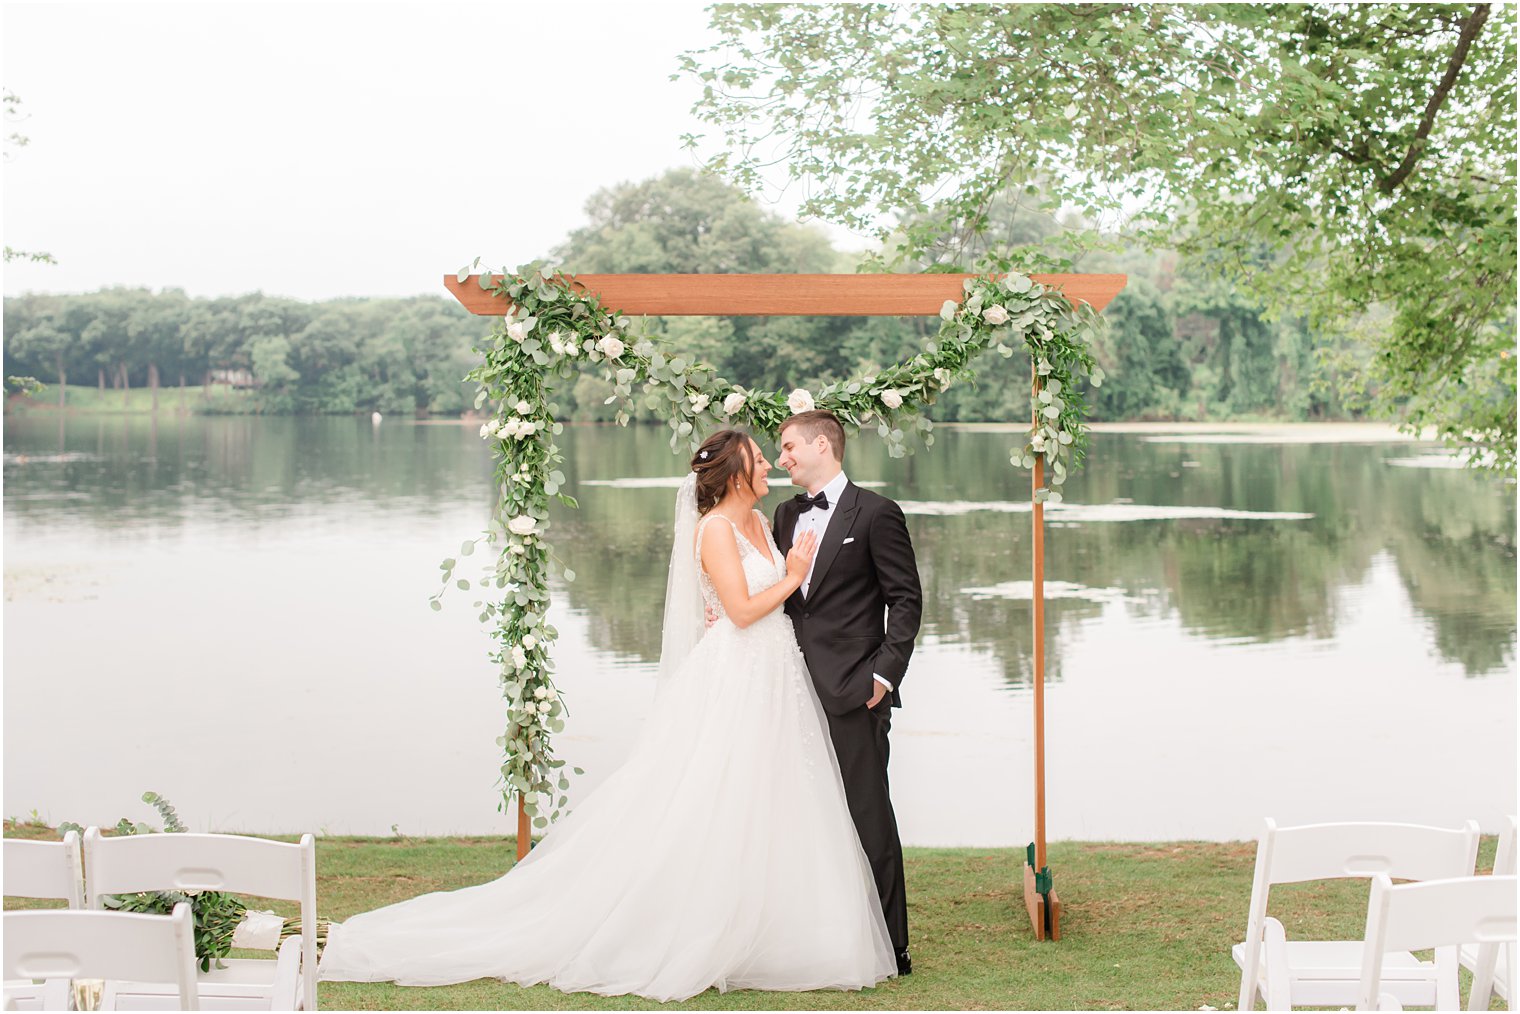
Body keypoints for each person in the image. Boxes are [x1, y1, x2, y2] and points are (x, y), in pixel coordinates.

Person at [318, 428, 897, 1002]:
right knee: (715, 798)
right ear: (734, 472)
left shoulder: (767, 524)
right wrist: (794, 576)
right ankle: (693, 928)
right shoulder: (716, 528)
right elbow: (742, 611)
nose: (771, 461)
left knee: (775, 800)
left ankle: (775, 932)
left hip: (777, 676)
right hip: (738, 674)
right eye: (759, 456)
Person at [773, 409, 923, 976]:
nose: (783, 457)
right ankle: (818, 932)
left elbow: (905, 599)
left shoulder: (879, 513)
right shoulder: (785, 514)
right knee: (801, 812)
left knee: (869, 813)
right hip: (789, 688)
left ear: (820, 445)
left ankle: (893, 943)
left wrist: (882, 677)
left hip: (855, 691)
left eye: (788, 447)